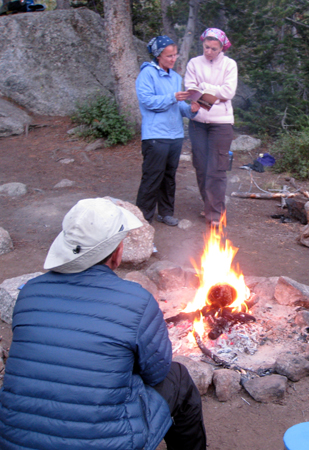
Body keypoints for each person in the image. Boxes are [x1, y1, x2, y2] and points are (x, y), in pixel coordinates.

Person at [0, 198, 207, 450]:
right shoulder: (136, 300)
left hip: (14, 440)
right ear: (117, 251)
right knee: (179, 377)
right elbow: (156, 372)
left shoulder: (30, 292)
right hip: (105, 442)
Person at [136, 35, 200, 226]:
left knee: (169, 176)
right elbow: (147, 101)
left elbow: (177, 106)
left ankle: (165, 213)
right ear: (158, 56)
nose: (173, 59)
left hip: (175, 135)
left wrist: (191, 110)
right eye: (169, 56)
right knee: (152, 176)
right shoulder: (147, 74)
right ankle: (142, 219)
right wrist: (173, 97)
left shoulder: (175, 77)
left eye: (175, 55)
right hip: (156, 134)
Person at [184, 28, 237, 227]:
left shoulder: (230, 64)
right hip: (198, 121)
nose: (209, 52)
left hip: (221, 122)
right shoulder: (194, 63)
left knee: (217, 168)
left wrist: (204, 87)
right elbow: (191, 88)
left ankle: (216, 214)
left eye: (214, 49)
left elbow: (229, 92)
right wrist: (213, 91)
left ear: (222, 48)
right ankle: (208, 203)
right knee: (200, 166)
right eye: (206, 47)